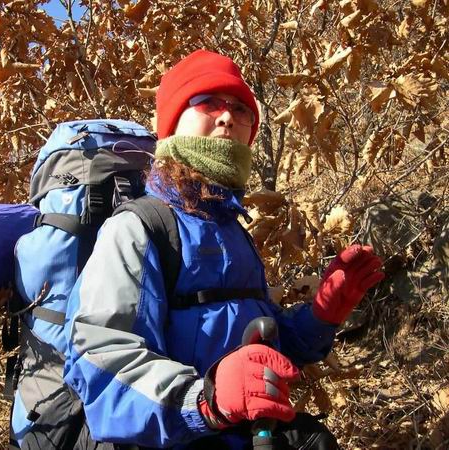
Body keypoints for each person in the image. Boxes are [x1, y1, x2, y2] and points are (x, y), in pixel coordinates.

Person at [63, 49, 384, 449]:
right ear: (171, 124)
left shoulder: (231, 229)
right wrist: (205, 400)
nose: (227, 117)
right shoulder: (139, 228)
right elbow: (101, 363)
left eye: (240, 108)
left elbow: (260, 350)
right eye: (207, 102)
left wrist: (321, 315)